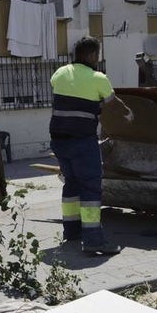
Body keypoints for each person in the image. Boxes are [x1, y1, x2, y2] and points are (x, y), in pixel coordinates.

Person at [49, 36, 133, 256]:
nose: (98, 58)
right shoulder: (98, 78)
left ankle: (72, 231)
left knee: (71, 186)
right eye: (98, 54)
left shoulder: (59, 74)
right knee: (90, 190)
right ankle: (94, 240)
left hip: (59, 141)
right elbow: (113, 105)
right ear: (92, 55)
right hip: (82, 142)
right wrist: (129, 114)